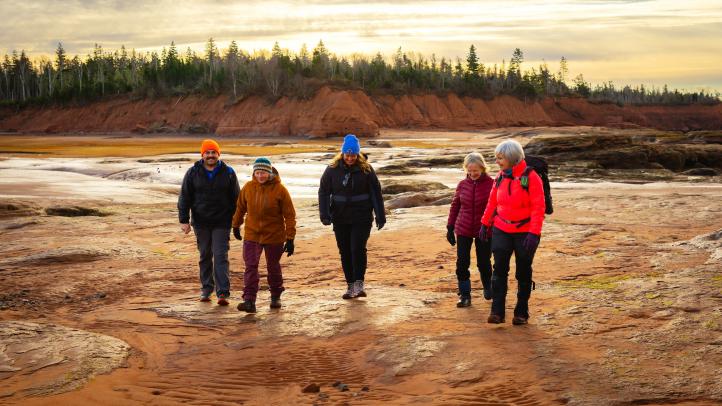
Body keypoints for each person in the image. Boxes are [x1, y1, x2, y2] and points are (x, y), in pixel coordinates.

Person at [480, 140, 545, 325]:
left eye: (500, 158)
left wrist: (534, 233)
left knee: (523, 272)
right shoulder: (500, 176)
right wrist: (485, 223)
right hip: (501, 228)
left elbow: (538, 207)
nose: (497, 162)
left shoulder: (531, 177)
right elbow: (492, 202)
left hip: (525, 232)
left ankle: (521, 312)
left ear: (511, 157)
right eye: (496, 158)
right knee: (499, 269)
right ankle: (497, 312)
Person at [318, 134, 385, 299]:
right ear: (342, 154)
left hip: (361, 216)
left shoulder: (366, 169)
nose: (349, 158)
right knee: (345, 251)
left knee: (357, 248)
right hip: (340, 217)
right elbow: (324, 192)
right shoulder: (331, 169)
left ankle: (359, 284)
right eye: (347, 155)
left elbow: (376, 193)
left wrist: (380, 215)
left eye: (353, 155)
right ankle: (350, 286)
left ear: (358, 155)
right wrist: (324, 214)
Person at [178, 139, 240, 305]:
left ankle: (222, 293)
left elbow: (237, 199)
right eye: (208, 153)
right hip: (201, 222)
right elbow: (185, 197)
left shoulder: (229, 172)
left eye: (214, 152)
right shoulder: (192, 173)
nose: (211, 156)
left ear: (218, 154)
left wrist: (237, 220)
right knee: (205, 255)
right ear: (202, 155)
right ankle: (206, 289)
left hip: (222, 222)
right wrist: (184, 220)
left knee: (220, 255)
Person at [232, 157, 296, 313]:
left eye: (263, 173)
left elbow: (289, 215)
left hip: (274, 235)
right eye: (258, 172)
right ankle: (249, 301)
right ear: (254, 173)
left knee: (273, 267)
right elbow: (240, 208)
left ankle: (275, 296)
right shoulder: (248, 187)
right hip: (252, 235)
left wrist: (290, 238)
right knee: (251, 267)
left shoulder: (280, 190)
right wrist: (235, 225)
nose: (260, 176)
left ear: (269, 172)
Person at [447, 152, 494, 308]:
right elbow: (455, 206)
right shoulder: (462, 184)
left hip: (484, 230)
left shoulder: (492, 184)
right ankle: (465, 296)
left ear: (482, 168)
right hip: (463, 229)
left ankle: (488, 287)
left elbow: (496, 208)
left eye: (476, 170)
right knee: (462, 263)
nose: (473, 174)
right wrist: (450, 227)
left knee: (484, 263)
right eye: (470, 170)